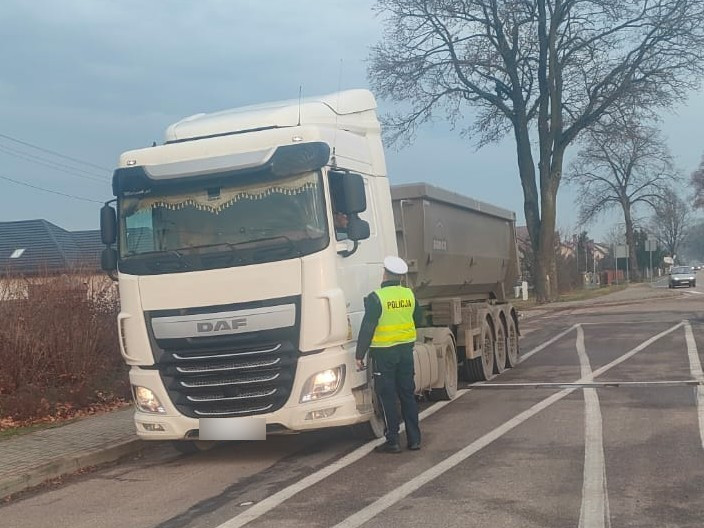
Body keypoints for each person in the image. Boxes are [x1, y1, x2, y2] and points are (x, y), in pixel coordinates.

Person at [355, 256, 423, 453]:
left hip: (384, 354)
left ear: (384, 274)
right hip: (405, 351)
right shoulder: (409, 295)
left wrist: (359, 354)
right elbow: (417, 318)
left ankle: (392, 440)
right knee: (407, 395)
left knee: (387, 396)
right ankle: (414, 439)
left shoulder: (376, 298)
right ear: (401, 277)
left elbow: (368, 328)